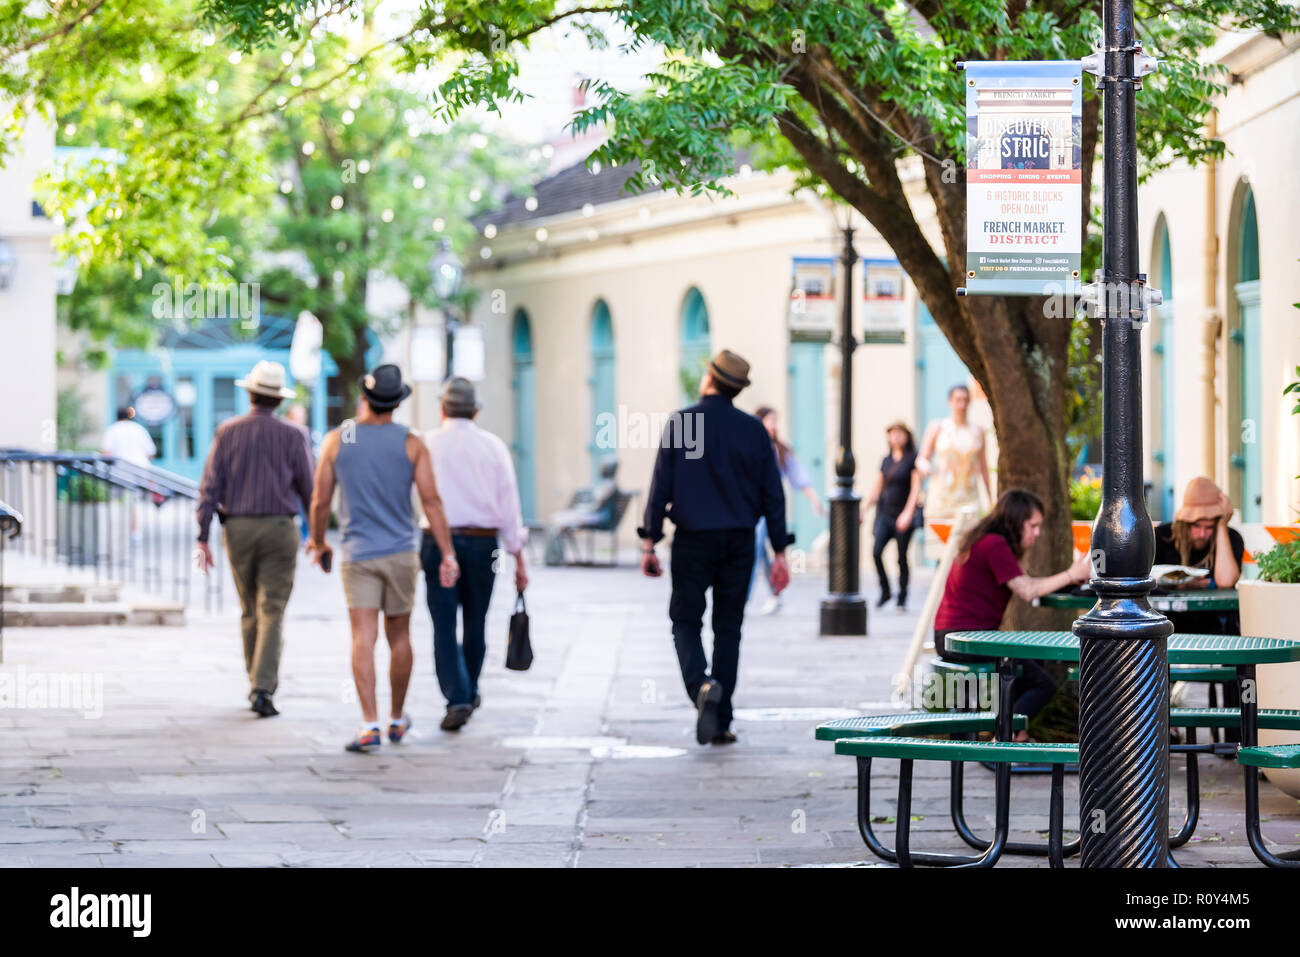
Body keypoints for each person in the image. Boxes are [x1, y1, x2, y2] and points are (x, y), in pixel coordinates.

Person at [638, 350, 790, 747]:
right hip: (739, 541)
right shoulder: (753, 430)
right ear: (737, 388)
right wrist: (780, 551)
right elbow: (773, 494)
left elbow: (660, 487)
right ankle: (721, 720)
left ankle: (700, 686)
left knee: (685, 620)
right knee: (729, 628)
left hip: (692, 539)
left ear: (709, 378)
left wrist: (649, 541)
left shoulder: (685, 422)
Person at [309, 364, 459, 753]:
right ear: (397, 402)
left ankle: (369, 724)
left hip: (358, 553)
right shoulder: (412, 442)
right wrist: (446, 552)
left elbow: (321, 499)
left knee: (363, 636)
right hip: (401, 553)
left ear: (366, 398)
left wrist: (319, 542)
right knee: (400, 637)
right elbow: (431, 500)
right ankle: (396, 718)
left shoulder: (338, 439)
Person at [196, 360, 314, 718]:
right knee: (272, 608)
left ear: (249, 394)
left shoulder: (227, 431)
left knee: (249, 607)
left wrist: (202, 535)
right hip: (280, 528)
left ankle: (256, 683)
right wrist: (319, 536)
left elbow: (210, 486)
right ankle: (263, 688)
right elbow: (310, 490)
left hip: (239, 528)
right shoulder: (295, 435)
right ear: (278, 400)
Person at [933, 489, 1092, 738]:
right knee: (1042, 684)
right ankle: (1005, 737)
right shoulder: (994, 544)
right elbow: (1028, 590)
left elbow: (1025, 582)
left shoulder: (985, 540)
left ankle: (1012, 733)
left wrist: (1066, 580)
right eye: (1033, 525)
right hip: (966, 639)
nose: (1037, 533)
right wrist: (1071, 574)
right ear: (1016, 521)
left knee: (1030, 666)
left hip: (952, 636)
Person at [422, 377, 529, 731]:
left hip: (437, 543)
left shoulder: (427, 443)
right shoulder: (494, 447)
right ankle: (469, 688)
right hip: (484, 544)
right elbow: (509, 503)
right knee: (476, 620)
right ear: (477, 411)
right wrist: (519, 557)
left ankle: (458, 695)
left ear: (442, 408)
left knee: (443, 620)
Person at [749, 406, 824, 615]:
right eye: (770, 420)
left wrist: (814, 498)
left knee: (756, 547)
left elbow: (797, 475)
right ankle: (775, 594)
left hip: (769, 509)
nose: (774, 425)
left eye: (776, 421)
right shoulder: (749, 446)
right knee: (761, 553)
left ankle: (745, 598)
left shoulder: (779, 450)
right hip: (750, 507)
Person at [1154, 476, 1244, 635]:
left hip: (1215, 624)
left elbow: (1226, 581)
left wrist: (1222, 526)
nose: (1202, 534)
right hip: (1168, 623)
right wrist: (1180, 584)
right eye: (1196, 525)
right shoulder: (1162, 536)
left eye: (1209, 527)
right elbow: (1146, 580)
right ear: (1184, 521)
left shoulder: (1231, 538)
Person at [864, 421, 921, 609]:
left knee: (901, 557)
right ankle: (886, 591)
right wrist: (864, 508)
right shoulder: (886, 461)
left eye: (899, 433)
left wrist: (908, 513)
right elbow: (877, 488)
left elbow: (915, 489)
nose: (895, 437)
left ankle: (902, 597)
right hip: (885, 514)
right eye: (892, 433)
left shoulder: (912, 459)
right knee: (876, 552)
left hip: (903, 515)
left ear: (906, 436)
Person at [917, 383, 992, 520]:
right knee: (941, 541)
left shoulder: (978, 431)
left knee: (968, 541)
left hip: (969, 503)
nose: (962, 405)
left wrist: (991, 500)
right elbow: (921, 458)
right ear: (950, 402)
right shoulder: (938, 427)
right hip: (941, 504)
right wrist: (924, 465)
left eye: (965, 400)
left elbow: (983, 467)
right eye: (958, 400)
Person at [101, 406, 158, 539]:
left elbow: (106, 453)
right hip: (139, 469)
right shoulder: (139, 429)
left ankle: (118, 530)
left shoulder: (113, 429)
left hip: (119, 470)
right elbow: (151, 452)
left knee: (116, 500)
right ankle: (135, 530)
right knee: (134, 501)